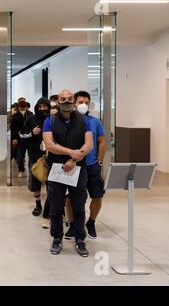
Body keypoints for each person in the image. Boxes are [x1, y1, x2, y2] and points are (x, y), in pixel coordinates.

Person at [42, 90, 93, 257]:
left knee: (79, 207)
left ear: (74, 100)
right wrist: (71, 153)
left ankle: (80, 240)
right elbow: (49, 144)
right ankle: (57, 238)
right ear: (58, 101)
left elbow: (89, 144)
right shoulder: (50, 120)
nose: (66, 101)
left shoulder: (83, 120)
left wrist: (75, 159)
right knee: (56, 207)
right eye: (63, 99)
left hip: (78, 168)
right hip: (57, 169)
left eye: (69, 99)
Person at [64, 91, 106, 240]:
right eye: (80, 102)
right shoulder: (68, 121)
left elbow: (101, 141)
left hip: (92, 165)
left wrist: (99, 161)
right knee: (70, 197)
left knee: (97, 196)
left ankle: (91, 222)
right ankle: (73, 224)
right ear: (74, 103)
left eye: (86, 102)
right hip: (74, 165)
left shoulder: (95, 122)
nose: (83, 105)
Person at [19, 98, 51, 223]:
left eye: (45, 106)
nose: (42, 109)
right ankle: (38, 205)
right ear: (37, 107)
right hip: (35, 156)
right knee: (35, 183)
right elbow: (21, 134)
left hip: (52, 157)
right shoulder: (31, 119)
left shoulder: (53, 119)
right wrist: (32, 132)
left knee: (52, 184)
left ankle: (51, 206)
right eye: (40, 106)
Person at [11, 100, 32, 178]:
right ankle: (21, 170)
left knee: (31, 156)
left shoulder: (30, 114)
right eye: (20, 107)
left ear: (26, 107)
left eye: (23, 107)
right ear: (18, 107)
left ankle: (31, 171)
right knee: (20, 156)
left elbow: (33, 126)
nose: (22, 108)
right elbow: (13, 128)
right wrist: (14, 138)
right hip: (19, 139)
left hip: (30, 138)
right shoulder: (15, 115)